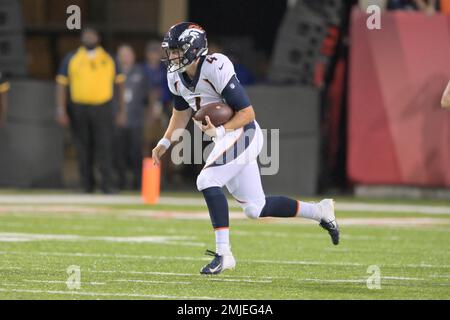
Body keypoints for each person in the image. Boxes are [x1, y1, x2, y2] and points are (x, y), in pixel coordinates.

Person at [151, 22, 340, 275]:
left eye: (177, 50)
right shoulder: (175, 76)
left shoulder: (215, 65)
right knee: (255, 208)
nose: (172, 56)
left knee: (207, 180)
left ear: (194, 48)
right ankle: (320, 211)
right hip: (225, 138)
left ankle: (223, 254)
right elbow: (180, 114)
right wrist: (165, 142)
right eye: (171, 50)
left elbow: (248, 113)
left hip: (244, 132)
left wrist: (219, 131)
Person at [55, 27, 126, 194]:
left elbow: (120, 85)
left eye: (92, 34)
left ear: (98, 37)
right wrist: (60, 109)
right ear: (82, 38)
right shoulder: (71, 58)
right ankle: (87, 185)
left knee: (105, 147)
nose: (89, 37)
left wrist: (122, 110)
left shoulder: (109, 58)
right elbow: (61, 84)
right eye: (86, 35)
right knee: (82, 147)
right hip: (79, 108)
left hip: (103, 107)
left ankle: (107, 185)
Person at [114, 44, 151, 190]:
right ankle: (121, 181)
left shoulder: (140, 72)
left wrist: (149, 114)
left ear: (133, 56)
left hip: (136, 119)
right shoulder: (113, 72)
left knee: (135, 152)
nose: (125, 58)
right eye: (122, 55)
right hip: (117, 119)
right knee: (118, 152)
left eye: (127, 54)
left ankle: (138, 182)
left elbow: (150, 94)